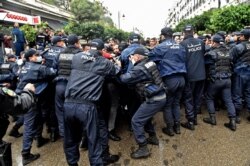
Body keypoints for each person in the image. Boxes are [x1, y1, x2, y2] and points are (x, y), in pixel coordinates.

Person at [63, 38, 120, 166]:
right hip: (87, 106)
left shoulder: (77, 57)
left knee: (70, 139)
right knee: (94, 140)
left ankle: (72, 163)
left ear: (88, 47)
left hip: (68, 104)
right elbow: (115, 71)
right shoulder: (104, 63)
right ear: (102, 50)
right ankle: (99, 162)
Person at [120, 47, 166, 159]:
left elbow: (124, 79)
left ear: (138, 56)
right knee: (146, 116)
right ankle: (152, 137)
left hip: (154, 100)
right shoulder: (150, 63)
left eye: (133, 55)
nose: (132, 57)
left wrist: (122, 66)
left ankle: (143, 148)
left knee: (136, 121)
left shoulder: (139, 68)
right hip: (160, 96)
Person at [16, 48, 56, 165]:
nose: (39, 56)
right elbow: (53, 72)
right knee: (29, 125)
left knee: (37, 118)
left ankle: (39, 138)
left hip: (22, 97)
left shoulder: (23, 66)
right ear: (30, 58)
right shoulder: (39, 68)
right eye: (36, 55)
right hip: (29, 99)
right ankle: (26, 154)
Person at [149, 27, 187, 136]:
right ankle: (177, 127)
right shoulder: (180, 46)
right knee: (176, 103)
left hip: (170, 79)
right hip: (182, 78)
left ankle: (170, 129)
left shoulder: (160, 47)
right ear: (172, 35)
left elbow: (151, 59)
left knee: (168, 105)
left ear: (163, 35)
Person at [203, 34, 236, 131]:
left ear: (213, 42)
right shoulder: (229, 52)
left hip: (216, 80)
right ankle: (232, 122)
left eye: (211, 41)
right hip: (228, 80)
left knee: (209, 98)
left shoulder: (211, 53)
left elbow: (205, 64)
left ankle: (212, 118)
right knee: (228, 100)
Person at [54, 34, 82, 138]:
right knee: (77, 110)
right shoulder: (80, 54)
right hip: (74, 85)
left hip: (60, 85)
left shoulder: (60, 53)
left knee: (60, 111)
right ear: (76, 43)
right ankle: (78, 134)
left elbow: (54, 68)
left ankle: (64, 135)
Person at [180, 25, 206, 130]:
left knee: (189, 98)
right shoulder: (201, 42)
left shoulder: (182, 44)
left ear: (184, 33)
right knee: (197, 97)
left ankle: (190, 121)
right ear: (193, 31)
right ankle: (194, 118)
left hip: (190, 75)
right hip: (201, 74)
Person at [230, 28, 250, 123]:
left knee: (237, 94)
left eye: (240, 35)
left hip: (240, 72)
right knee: (248, 93)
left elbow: (231, 59)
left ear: (242, 36)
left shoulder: (238, 47)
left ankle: (236, 115)